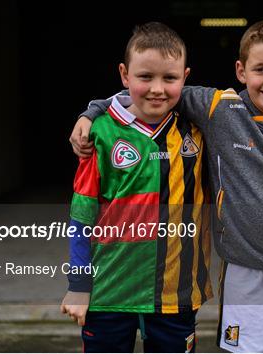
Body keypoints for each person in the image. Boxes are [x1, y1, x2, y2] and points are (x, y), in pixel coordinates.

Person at [71, 19, 263, 353]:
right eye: (260, 69)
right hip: (246, 269)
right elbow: (151, 91)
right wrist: (91, 112)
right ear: (241, 71)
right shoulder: (221, 110)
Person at [60, 22, 213, 353]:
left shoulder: (199, 129)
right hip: (109, 292)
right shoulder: (99, 134)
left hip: (177, 295)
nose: (157, 88)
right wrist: (78, 285)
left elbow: (258, 108)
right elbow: (82, 215)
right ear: (124, 75)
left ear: (185, 78)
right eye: (145, 77)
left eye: (169, 78)